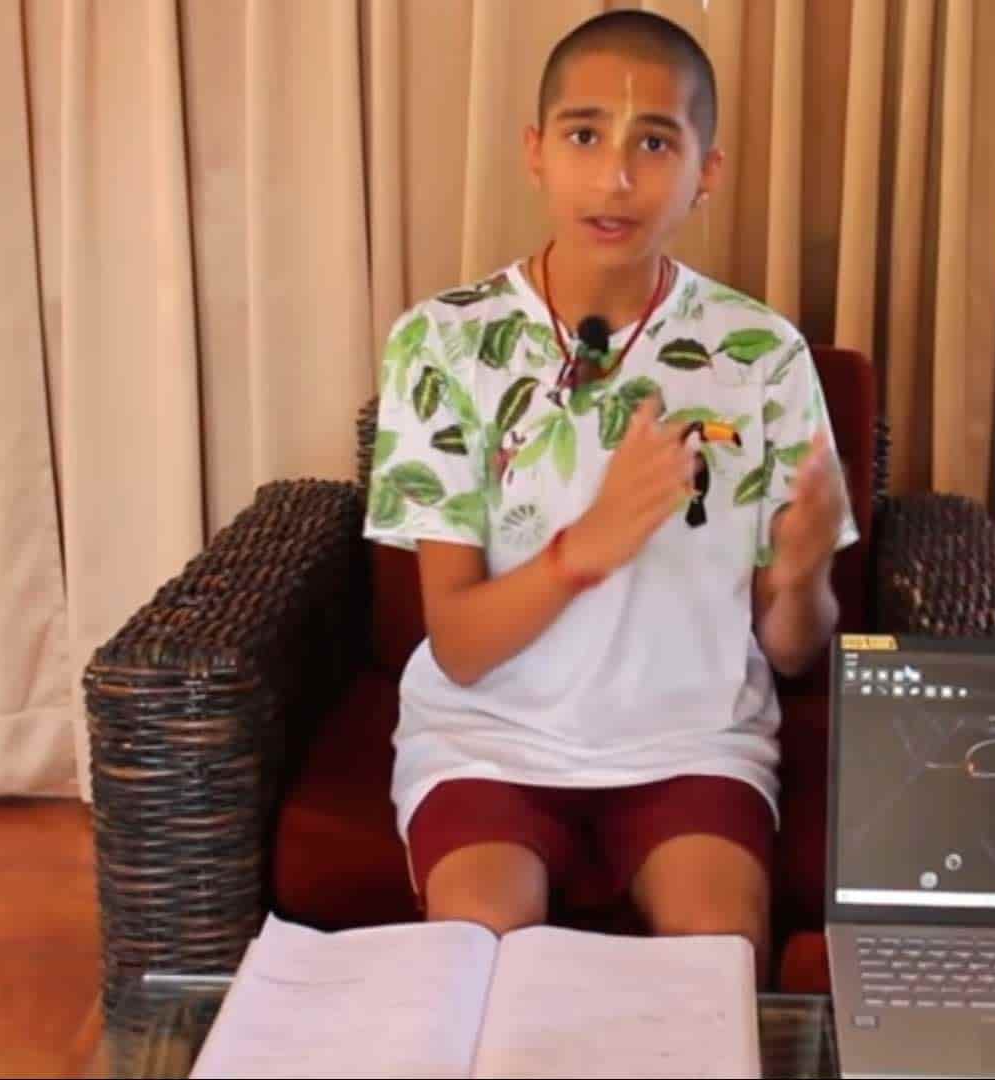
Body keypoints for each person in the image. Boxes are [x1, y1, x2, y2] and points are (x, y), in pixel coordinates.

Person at [363, 8, 858, 985]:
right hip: (488, 740)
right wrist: (586, 548)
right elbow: (459, 645)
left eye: (655, 143)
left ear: (706, 171)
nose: (617, 178)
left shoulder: (762, 356)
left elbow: (793, 652)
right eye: (586, 136)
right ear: (535, 152)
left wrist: (804, 580)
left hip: (693, 742)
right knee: (479, 966)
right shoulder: (442, 344)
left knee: (714, 967)